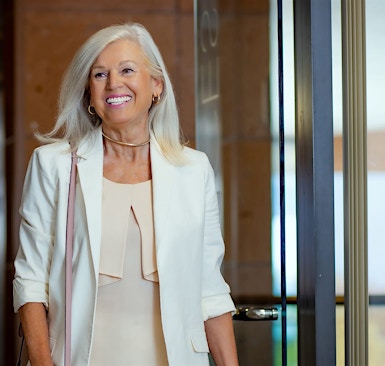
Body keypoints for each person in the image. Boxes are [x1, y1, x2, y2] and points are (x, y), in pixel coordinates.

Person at [12, 23, 238, 365]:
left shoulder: (193, 170)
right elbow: (30, 282)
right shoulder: (54, 165)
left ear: (156, 86)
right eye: (100, 74)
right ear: (89, 92)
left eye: (127, 70)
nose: (114, 83)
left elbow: (210, 291)